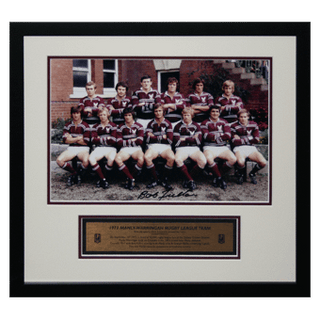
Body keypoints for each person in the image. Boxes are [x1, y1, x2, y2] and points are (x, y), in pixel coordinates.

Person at [201, 105, 237, 190]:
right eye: (213, 111)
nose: (215, 113)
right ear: (209, 113)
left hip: (222, 147)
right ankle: (220, 178)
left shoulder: (224, 122)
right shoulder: (205, 122)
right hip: (209, 147)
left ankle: (217, 176)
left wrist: (214, 137)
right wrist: (221, 136)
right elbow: (206, 136)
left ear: (219, 113)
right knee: (209, 159)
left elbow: (228, 135)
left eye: (217, 111)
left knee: (233, 159)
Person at [173, 107, 207, 190]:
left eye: (188, 115)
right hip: (181, 148)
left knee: (203, 161)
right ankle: (191, 180)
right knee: (177, 160)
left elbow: (199, 141)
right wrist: (192, 138)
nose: (186, 117)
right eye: (184, 115)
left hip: (194, 148)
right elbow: (176, 141)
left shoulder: (196, 125)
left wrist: (184, 139)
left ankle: (187, 178)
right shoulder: (178, 126)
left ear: (192, 116)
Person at [231, 109, 267, 184]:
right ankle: (240, 174)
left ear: (248, 117)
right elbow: (234, 141)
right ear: (238, 117)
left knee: (263, 162)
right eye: (241, 117)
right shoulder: (234, 126)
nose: (243, 118)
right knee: (241, 162)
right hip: (239, 148)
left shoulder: (253, 124)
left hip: (251, 147)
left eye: (245, 117)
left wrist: (241, 139)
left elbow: (256, 139)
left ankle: (252, 173)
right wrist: (250, 138)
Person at [56, 106, 90, 186]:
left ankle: (75, 174)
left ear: (80, 114)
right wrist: (78, 138)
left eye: (77, 113)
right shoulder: (68, 125)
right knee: (59, 161)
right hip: (72, 148)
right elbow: (65, 140)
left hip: (83, 149)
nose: (75, 115)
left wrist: (72, 138)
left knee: (86, 161)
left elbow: (86, 142)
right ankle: (75, 173)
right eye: (74, 113)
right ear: (71, 114)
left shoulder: (85, 125)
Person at [144, 104, 175, 191]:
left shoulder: (168, 123)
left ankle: (164, 179)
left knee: (171, 158)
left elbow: (170, 140)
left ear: (163, 112)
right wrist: (162, 137)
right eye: (156, 111)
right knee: (147, 157)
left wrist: (154, 136)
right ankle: (155, 179)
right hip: (153, 146)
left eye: (160, 111)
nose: (158, 113)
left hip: (165, 147)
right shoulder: (150, 123)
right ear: (154, 112)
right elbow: (148, 139)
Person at [115, 107, 145, 190]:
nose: (127, 117)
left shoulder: (139, 126)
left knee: (141, 159)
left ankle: (130, 177)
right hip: (125, 149)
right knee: (118, 159)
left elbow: (140, 141)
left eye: (129, 115)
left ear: (133, 116)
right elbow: (119, 142)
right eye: (125, 115)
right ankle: (131, 179)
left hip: (136, 148)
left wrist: (126, 140)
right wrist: (133, 140)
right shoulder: (121, 127)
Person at [89, 107, 118, 189]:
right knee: (91, 159)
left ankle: (102, 177)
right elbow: (93, 140)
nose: (102, 116)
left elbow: (113, 140)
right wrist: (106, 139)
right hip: (99, 148)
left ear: (108, 115)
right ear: (98, 116)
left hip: (111, 148)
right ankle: (103, 179)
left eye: (104, 114)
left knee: (111, 159)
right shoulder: (95, 126)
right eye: (100, 115)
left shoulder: (113, 125)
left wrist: (99, 139)